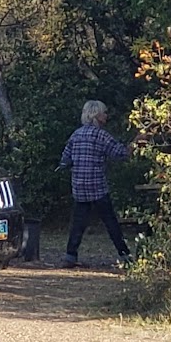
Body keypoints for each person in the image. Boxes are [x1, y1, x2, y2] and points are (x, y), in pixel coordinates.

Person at [58, 99, 132, 268]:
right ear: (96, 115)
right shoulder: (101, 135)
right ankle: (125, 255)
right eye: (104, 112)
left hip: (79, 187)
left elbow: (64, 160)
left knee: (78, 223)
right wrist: (135, 142)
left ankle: (70, 256)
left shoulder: (76, 135)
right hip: (97, 186)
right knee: (110, 222)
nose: (106, 115)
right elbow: (121, 154)